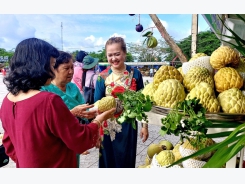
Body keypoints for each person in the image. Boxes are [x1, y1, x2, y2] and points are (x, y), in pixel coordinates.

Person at [0, 38, 115, 168]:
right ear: (39, 65)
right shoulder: (48, 100)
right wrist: (99, 120)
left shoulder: (7, 101)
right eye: (51, 65)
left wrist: (28, 160)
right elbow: (80, 140)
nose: (52, 71)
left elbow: (8, 144)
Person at [94, 36, 149, 168]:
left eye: (117, 54)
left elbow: (143, 102)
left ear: (124, 53)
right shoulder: (102, 77)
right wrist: (95, 132)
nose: (114, 58)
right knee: (108, 161)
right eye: (110, 55)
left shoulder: (135, 74)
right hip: (107, 128)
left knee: (126, 160)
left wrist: (145, 126)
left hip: (128, 127)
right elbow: (97, 105)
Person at [40, 51, 94, 163]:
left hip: (74, 137)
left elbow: (85, 110)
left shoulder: (73, 87)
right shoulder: (45, 90)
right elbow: (45, 120)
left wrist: (93, 113)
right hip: (56, 141)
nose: (71, 72)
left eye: (72, 68)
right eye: (66, 68)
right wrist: (72, 113)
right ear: (54, 69)